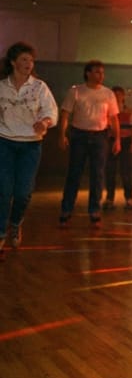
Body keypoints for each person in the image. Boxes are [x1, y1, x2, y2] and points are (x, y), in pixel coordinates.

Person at [0, 42, 58, 252]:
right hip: (4, 142)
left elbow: (51, 112)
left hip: (30, 145)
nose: (28, 63)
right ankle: (1, 233)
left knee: (23, 192)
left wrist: (44, 122)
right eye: (24, 59)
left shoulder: (39, 87)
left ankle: (15, 224)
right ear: (13, 62)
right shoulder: (2, 86)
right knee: (4, 190)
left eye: (31, 60)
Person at [58, 60, 121, 228]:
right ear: (88, 73)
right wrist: (62, 135)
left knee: (98, 175)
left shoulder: (108, 94)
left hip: (100, 136)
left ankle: (94, 211)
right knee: (74, 174)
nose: (101, 76)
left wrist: (117, 139)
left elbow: (114, 118)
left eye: (102, 72)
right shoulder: (76, 91)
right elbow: (65, 114)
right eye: (97, 72)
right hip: (79, 135)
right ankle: (66, 210)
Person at [103, 86, 132, 211]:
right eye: (115, 95)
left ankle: (129, 199)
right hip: (112, 142)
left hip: (126, 143)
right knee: (110, 171)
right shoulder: (108, 112)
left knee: (126, 172)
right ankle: (109, 199)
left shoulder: (129, 112)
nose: (117, 97)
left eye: (119, 95)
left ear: (123, 96)